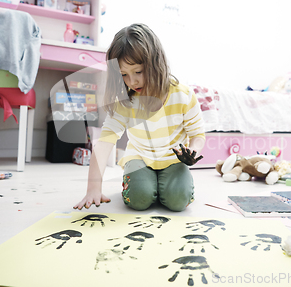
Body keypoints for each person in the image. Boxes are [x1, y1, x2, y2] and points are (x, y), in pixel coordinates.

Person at [73, 23, 205, 212]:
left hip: (173, 159)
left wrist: (193, 151)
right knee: (138, 200)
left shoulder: (183, 95)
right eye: (124, 75)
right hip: (140, 157)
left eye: (138, 72)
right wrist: (93, 188)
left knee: (178, 201)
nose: (132, 81)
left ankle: (167, 187)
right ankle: (148, 185)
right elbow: (104, 143)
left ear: (155, 63)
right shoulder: (125, 101)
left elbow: (197, 134)